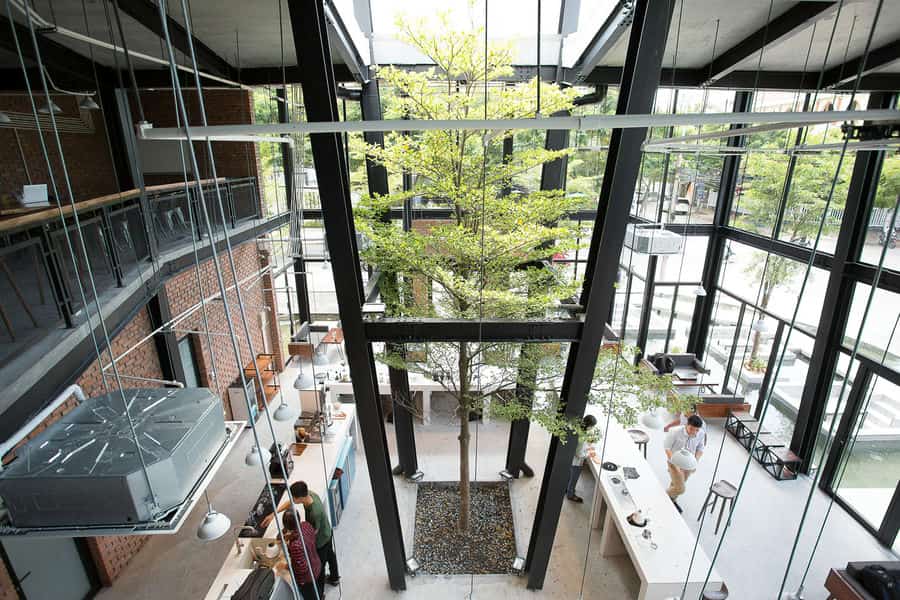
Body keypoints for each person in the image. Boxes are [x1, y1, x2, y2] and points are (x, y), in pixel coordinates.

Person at [262, 481, 340, 585]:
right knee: (330, 555)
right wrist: (274, 514)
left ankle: (320, 591)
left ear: (300, 498)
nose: (292, 500)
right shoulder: (309, 494)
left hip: (321, 539)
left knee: (319, 566)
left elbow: (313, 533)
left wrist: (292, 536)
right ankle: (335, 578)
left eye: (294, 498)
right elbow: (290, 502)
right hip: (327, 531)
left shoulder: (314, 512)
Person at [277, 510, 324, 600]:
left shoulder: (295, 545)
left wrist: (289, 567)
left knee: (311, 596)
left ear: (286, 526)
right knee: (318, 589)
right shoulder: (306, 525)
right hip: (316, 564)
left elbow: (302, 569)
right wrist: (291, 537)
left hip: (307, 577)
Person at [664, 414, 706, 513]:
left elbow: (700, 448)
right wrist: (675, 465)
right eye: (691, 429)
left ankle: (671, 501)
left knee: (676, 484)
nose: (694, 432)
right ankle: (663, 497)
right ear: (686, 424)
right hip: (674, 462)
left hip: (688, 464)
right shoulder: (675, 432)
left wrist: (695, 462)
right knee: (680, 488)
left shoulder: (701, 433)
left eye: (696, 430)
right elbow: (667, 448)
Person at [566, 414, 597, 503]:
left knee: (570, 477)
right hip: (576, 462)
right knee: (573, 479)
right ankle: (570, 495)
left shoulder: (578, 429)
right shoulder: (582, 437)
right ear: (589, 426)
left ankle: (568, 489)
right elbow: (579, 454)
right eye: (592, 426)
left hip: (571, 459)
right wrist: (588, 454)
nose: (592, 428)